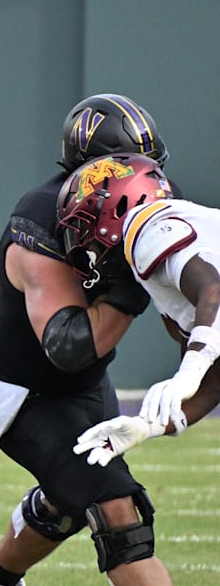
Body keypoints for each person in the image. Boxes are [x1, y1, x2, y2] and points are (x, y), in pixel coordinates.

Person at [0, 97, 177, 586]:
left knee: (69, 498)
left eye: (148, 169)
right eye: (123, 170)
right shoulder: (39, 224)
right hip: (27, 391)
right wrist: (132, 288)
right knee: (116, 506)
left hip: (89, 384)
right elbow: (70, 346)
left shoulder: (149, 197)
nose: (141, 182)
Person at [73, 179, 220, 464]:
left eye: (88, 223)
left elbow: (215, 291)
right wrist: (144, 427)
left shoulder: (145, 226)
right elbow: (214, 383)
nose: (85, 240)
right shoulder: (168, 284)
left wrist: (189, 372)